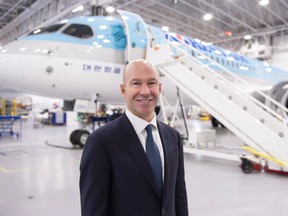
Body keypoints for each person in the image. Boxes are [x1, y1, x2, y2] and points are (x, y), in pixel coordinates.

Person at [79, 59, 188, 216]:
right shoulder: (101, 142)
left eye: (151, 83)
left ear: (160, 88)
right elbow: (93, 210)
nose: (145, 91)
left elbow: (179, 197)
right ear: (123, 90)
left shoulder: (173, 137)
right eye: (136, 83)